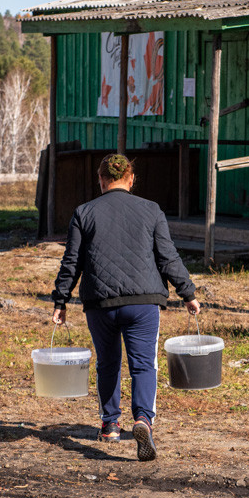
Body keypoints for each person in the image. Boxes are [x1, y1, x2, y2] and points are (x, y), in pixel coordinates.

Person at [51, 154, 200, 462]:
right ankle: (143, 420)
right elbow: (168, 258)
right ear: (131, 180)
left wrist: (60, 300)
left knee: (108, 364)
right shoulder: (151, 210)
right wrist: (188, 294)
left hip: (100, 303)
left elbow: (72, 262)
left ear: (100, 180)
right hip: (144, 302)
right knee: (144, 365)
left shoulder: (84, 212)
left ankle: (109, 425)